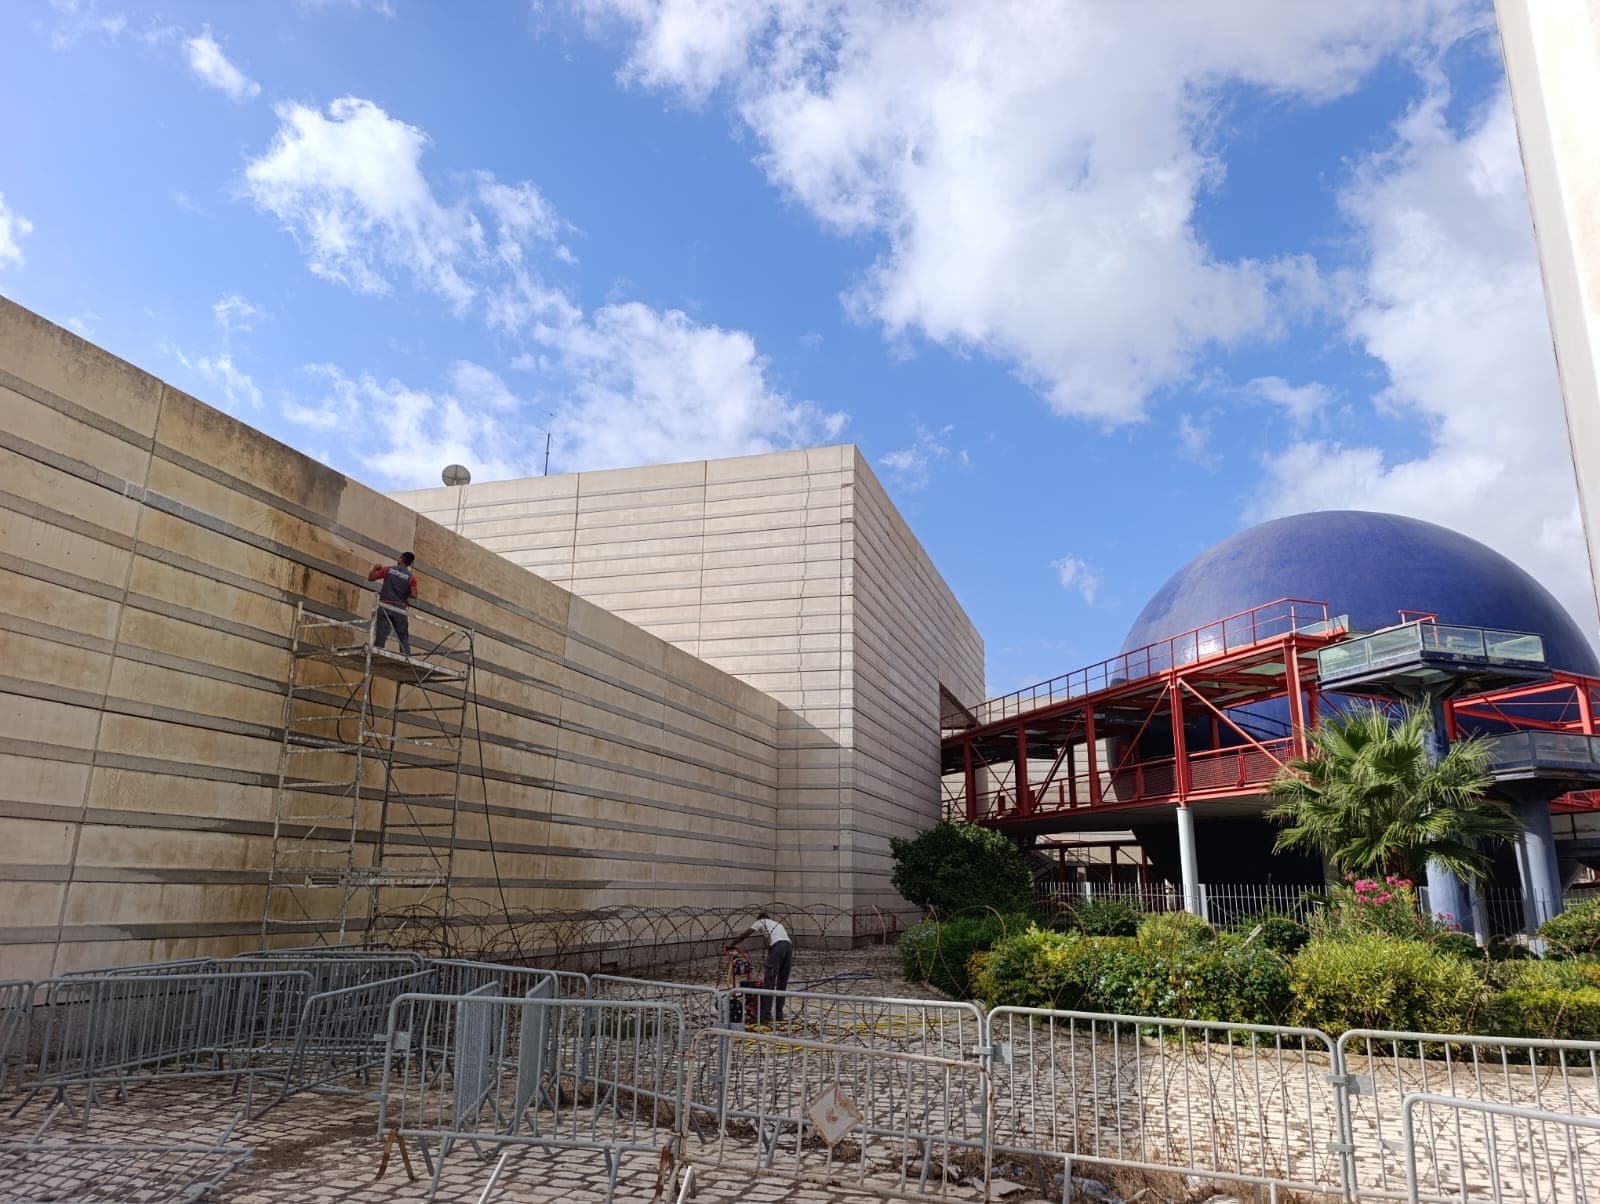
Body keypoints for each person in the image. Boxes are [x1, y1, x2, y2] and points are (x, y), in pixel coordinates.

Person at [728, 912, 792, 1022]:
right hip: (788, 948)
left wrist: (732, 945)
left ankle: (764, 1016)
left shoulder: (761, 921)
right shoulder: (776, 924)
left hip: (778, 947)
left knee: (769, 983)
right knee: (782, 983)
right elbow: (775, 943)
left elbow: (745, 934)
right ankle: (779, 1015)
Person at [367, 552, 418, 656]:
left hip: (385, 606)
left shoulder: (387, 570)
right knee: (403, 636)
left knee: (381, 634)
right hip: (399, 609)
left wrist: (375, 568)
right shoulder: (411, 578)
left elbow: (371, 578)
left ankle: (377, 655)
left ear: (400, 559)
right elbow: (414, 594)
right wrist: (404, 592)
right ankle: (406, 658)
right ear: (410, 564)